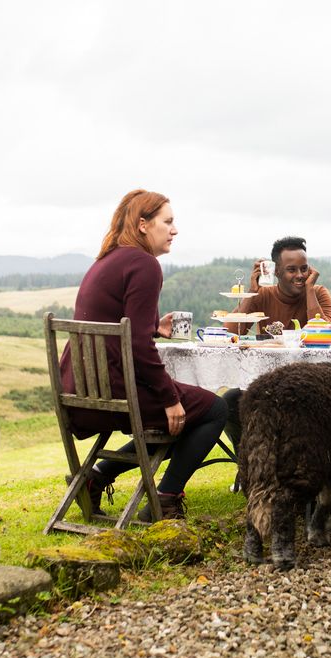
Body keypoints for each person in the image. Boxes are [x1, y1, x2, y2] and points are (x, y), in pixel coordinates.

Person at [63, 189, 228, 520]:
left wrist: (153, 327)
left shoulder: (106, 260)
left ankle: (97, 477)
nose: (174, 230)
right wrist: (169, 397)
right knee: (213, 409)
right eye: (167, 222)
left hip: (80, 391)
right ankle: (164, 501)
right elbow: (137, 345)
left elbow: (119, 325)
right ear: (142, 224)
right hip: (117, 391)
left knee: (182, 417)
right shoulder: (145, 264)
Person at [223, 236, 331, 336]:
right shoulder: (263, 295)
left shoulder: (318, 294)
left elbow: (325, 335)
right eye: (292, 270)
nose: (300, 275)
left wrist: (310, 290)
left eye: (304, 269)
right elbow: (229, 334)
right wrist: (252, 291)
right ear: (276, 271)